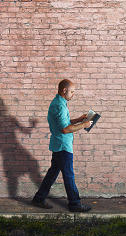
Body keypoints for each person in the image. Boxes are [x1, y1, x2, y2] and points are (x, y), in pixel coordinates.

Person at [31, 79, 93, 212]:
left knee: (52, 173)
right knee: (69, 176)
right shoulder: (59, 105)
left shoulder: (59, 103)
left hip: (59, 145)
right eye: (72, 92)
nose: (73, 94)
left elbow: (63, 121)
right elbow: (64, 129)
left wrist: (79, 119)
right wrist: (84, 125)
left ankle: (39, 197)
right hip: (63, 146)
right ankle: (74, 204)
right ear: (64, 90)